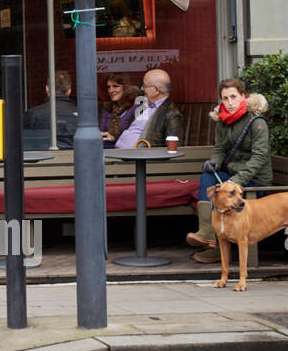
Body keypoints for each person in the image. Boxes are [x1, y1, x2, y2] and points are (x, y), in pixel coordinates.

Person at [187, 79, 272, 264]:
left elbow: (259, 158)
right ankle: (208, 234)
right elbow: (220, 149)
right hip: (233, 177)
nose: (230, 102)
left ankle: (218, 247)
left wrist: (235, 181)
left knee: (224, 191)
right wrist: (213, 163)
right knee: (208, 177)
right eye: (225, 98)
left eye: (234, 97)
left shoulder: (257, 122)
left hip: (255, 180)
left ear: (243, 96)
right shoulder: (222, 121)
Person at [113, 68, 183, 149]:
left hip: (136, 158)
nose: (142, 88)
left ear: (156, 90)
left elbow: (173, 149)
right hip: (118, 153)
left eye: (145, 86)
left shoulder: (171, 114)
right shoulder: (144, 105)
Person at [23, 70, 78, 149]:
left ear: (47, 89)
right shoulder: (83, 116)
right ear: (69, 91)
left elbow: (25, 144)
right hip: (74, 160)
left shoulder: (33, 114)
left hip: (44, 160)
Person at [99, 72, 141, 144]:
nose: (111, 91)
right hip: (107, 147)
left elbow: (136, 134)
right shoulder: (107, 107)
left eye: (115, 86)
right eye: (109, 87)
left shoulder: (136, 107)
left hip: (128, 149)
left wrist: (115, 138)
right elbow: (102, 130)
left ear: (125, 88)